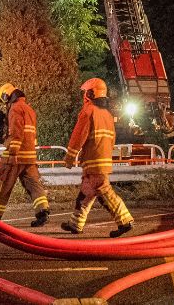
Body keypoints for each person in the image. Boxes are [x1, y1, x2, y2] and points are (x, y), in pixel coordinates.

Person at [61, 78, 133, 237]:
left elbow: (78, 136)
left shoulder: (88, 111)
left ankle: (125, 221)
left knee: (104, 191)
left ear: (90, 93)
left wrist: (70, 157)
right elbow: (112, 139)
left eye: (85, 93)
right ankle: (75, 224)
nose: (84, 96)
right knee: (86, 193)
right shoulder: (107, 114)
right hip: (103, 160)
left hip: (93, 161)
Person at [0, 83, 50, 226]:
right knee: (33, 184)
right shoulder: (29, 109)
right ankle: (42, 211)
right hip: (29, 155)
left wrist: (12, 153)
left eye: (4, 101)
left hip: (15, 156)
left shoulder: (15, 109)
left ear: (6, 96)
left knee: (3, 185)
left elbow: (16, 132)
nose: (4, 105)